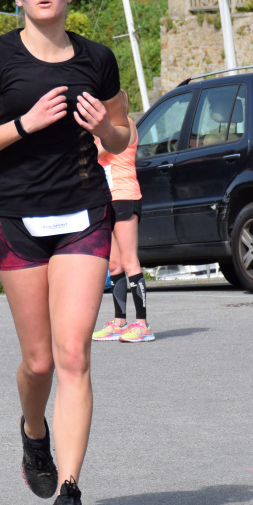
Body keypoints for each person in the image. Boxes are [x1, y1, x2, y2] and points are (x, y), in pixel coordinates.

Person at [0, 0, 130, 505]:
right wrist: (24, 124)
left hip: (84, 213)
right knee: (39, 361)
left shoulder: (98, 59)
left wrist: (103, 128)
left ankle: (69, 493)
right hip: (18, 218)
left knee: (74, 354)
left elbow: (122, 133)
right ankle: (34, 433)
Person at [91, 123, 150, 343]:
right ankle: (119, 323)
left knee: (129, 262)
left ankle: (142, 325)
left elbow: (95, 154)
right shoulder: (105, 128)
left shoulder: (123, 125)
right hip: (107, 198)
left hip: (125, 196)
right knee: (114, 265)